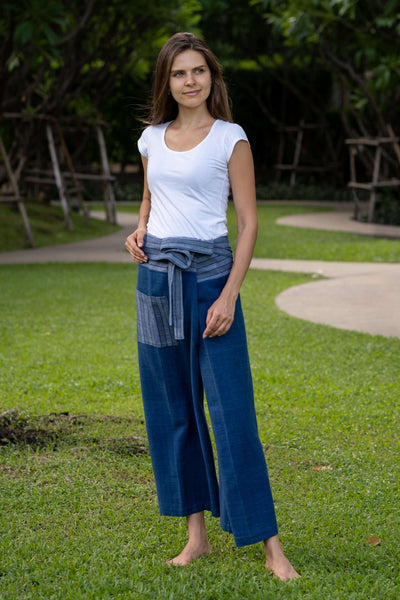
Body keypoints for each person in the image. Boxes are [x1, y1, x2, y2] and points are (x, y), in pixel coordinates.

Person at [125, 32, 299, 581]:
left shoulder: (231, 139)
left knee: (231, 415)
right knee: (173, 409)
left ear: (212, 78)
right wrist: (138, 230)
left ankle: (271, 547)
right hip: (157, 282)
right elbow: (151, 201)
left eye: (199, 71)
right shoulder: (151, 138)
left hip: (210, 279)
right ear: (167, 83)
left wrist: (228, 294)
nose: (191, 81)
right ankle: (195, 536)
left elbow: (247, 223)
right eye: (179, 73)